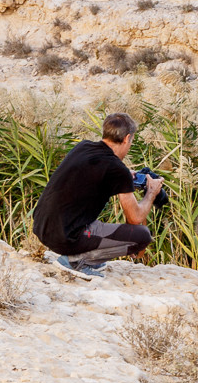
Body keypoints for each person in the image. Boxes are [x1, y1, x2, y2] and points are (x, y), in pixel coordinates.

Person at [32, 112, 162, 277]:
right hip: (66, 238)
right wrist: (151, 192)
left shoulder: (83, 147)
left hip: (42, 228)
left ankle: (83, 256)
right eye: (132, 141)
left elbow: (99, 170)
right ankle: (77, 260)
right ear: (127, 138)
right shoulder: (116, 169)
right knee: (142, 236)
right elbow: (135, 218)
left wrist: (129, 176)